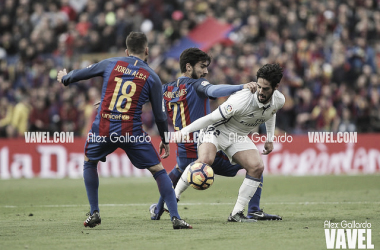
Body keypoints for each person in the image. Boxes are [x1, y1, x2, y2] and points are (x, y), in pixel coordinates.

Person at [57, 31, 192, 229]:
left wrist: (65, 77)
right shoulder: (152, 77)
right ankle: (175, 218)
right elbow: (160, 115)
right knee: (158, 171)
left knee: (89, 162)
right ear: (147, 51)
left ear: (126, 51)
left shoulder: (110, 63)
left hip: (104, 128)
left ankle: (94, 212)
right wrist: (165, 138)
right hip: (132, 132)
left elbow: (80, 74)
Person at [149, 48, 281, 221]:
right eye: (202, 67)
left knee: (181, 170)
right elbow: (213, 91)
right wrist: (240, 87)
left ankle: (159, 208)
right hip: (204, 139)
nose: (206, 71)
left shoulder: (167, 89)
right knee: (253, 167)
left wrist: (166, 137)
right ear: (188, 67)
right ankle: (253, 209)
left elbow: (152, 106)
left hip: (184, 146)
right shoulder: (197, 84)